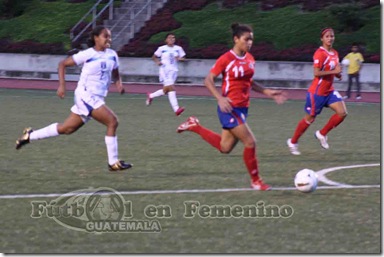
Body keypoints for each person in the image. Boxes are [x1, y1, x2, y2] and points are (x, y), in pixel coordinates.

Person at [176, 23, 286, 191]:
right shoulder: (226, 59)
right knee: (250, 142)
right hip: (229, 108)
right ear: (236, 39)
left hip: (243, 108)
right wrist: (220, 98)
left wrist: (267, 91)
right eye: (246, 39)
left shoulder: (250, 59)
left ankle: (194, 126)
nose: (249, 43)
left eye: (251, 40)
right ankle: (256, 181)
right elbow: (208, 80)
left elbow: (249, 82)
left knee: (224, 147)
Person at [15, 26, 132, 171]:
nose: (109, 39)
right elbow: (62, 64)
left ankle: (29, 136)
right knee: (112, 121)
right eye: (105, 36)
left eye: (109, 36)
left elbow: (115, 72)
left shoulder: (112, 54)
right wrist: (62, 86)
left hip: (96, 97)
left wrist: (119, 84)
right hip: (85, 95)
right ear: (96, 38)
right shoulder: (87, 54)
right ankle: (113, 163)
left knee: (67, 129)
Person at [287, 27, 347, 155]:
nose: (330, 38)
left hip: (329, 91)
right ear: (322, 39)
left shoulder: (335, 53)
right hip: (317, 93)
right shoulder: (319, 53)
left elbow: (334, 69)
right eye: (327, 36)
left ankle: (322, 133)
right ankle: (293, 142)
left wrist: (338, 75)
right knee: (310, 119)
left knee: (342, 113)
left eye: (332, 36)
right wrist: (334, 72)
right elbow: (316, 73)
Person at [146, 33, 186, 116]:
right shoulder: (162, 48)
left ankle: (151, 95)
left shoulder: (178, 48)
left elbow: (184, 59)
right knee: (171, 87)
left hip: (174, 70)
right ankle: (176, 109)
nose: (172, 39)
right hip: (164, 70)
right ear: (166, 40)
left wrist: (179, 58)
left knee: (166, 90)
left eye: (173, 38)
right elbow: (154, 57)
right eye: (170, 38)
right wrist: (158, 62)